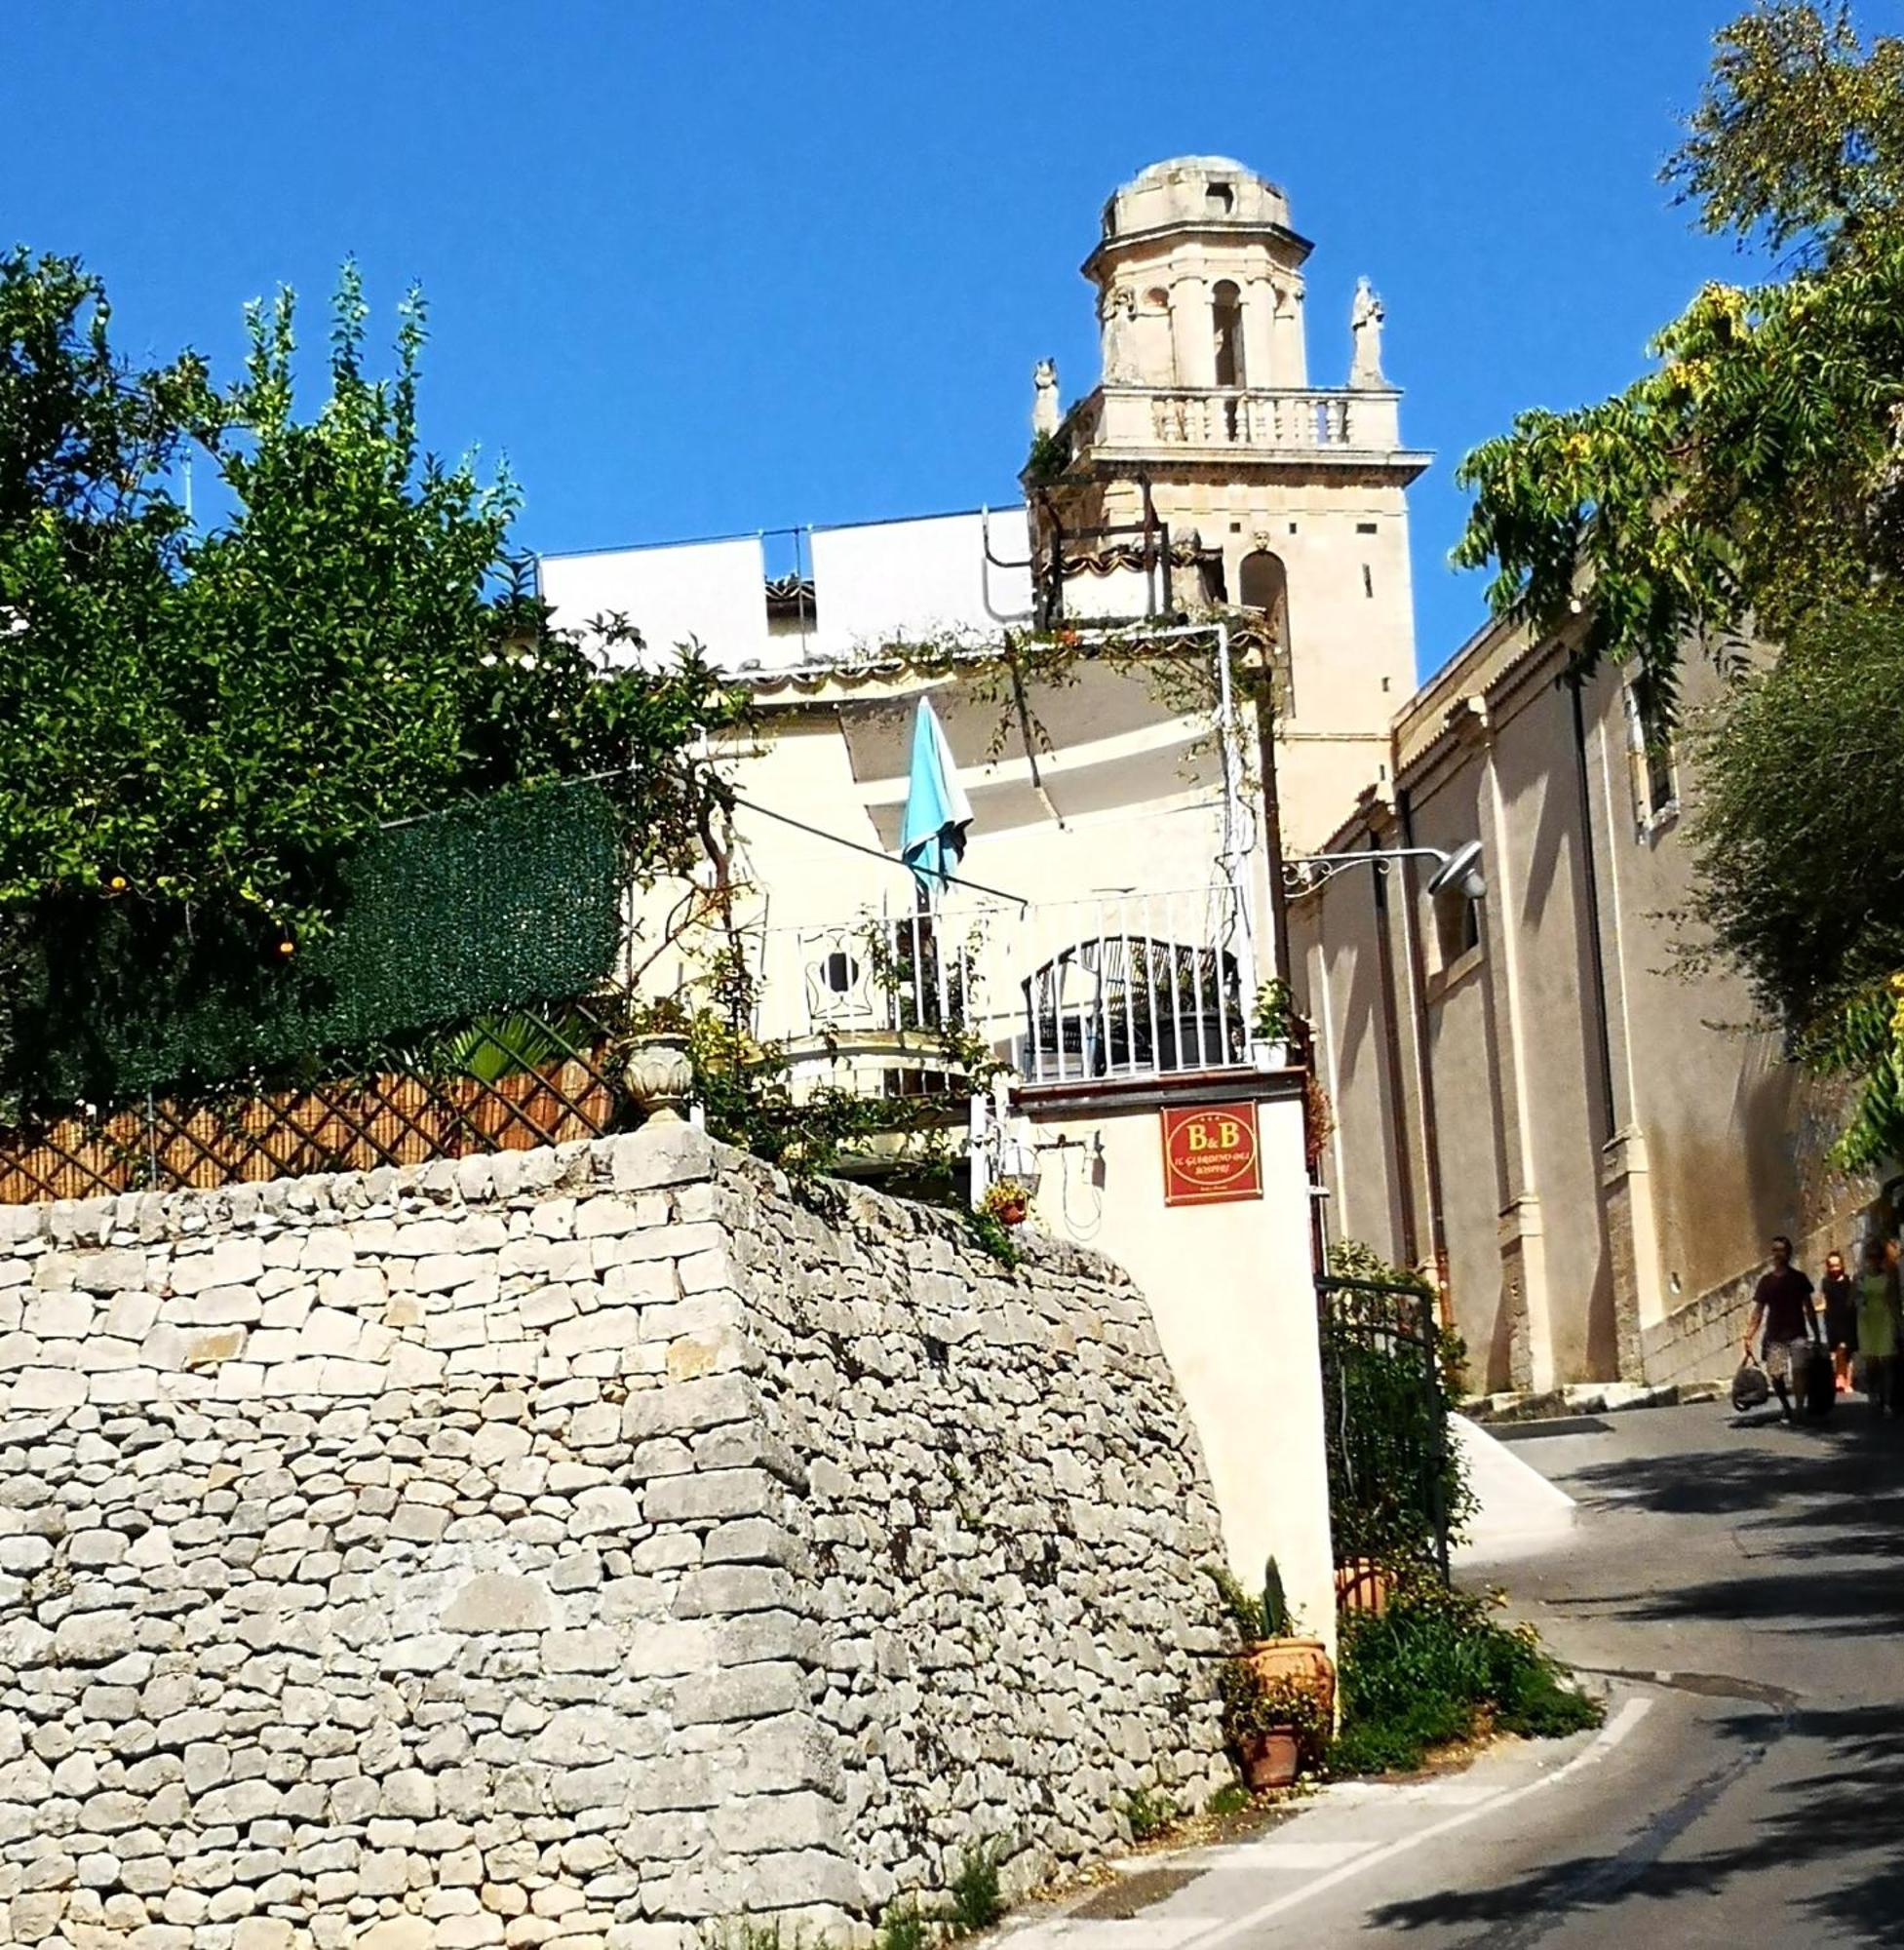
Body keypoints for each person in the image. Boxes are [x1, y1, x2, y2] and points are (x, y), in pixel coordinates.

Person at [1741, 1234, 1821, 1423]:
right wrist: (1748, 1335)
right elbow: (1758, 1311)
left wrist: (1816, 1333)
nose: (1777, 1254)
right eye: (1774, 1250)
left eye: (1781, 1250)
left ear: (1788, 1253)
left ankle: (1800, 1409)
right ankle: (1786, 1406)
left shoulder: (1799, 1278)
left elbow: (1808, 1307)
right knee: (1776, 1375)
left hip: (1797, 1333)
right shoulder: (1766, 1281)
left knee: (1800, 1370)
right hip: (1775, 1335)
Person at [1854, 1232, 1901, 1414]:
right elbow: (1851, 1301)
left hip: (1885, 1320)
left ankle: (1888, 1402)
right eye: (1870, 1257)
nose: (1873, 1260)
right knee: (1872, 1364)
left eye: (1877, 1257)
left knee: (1887, 1362)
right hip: (1867, 1322)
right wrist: (1858, 1295)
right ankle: (1875, 1393)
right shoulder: (1860, 1278)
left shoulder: (1888, 1276)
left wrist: (1899, 1325)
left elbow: (1894, 1301)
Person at [1820, 1248, 1857, 1393]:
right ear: (1828, 1266)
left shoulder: (1849, 1281)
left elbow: (1852, 1299)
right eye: (1832, 1265)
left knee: (1847, 1350)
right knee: (1837, 1351)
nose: (1835, 1268)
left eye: (1837, 1265)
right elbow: (1824, 1302)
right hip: (1833, 1320)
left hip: (1847, 1319)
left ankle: (1846, 1380)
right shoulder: (1826, 1282)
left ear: (1842, 1265)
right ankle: (1839, 1378)